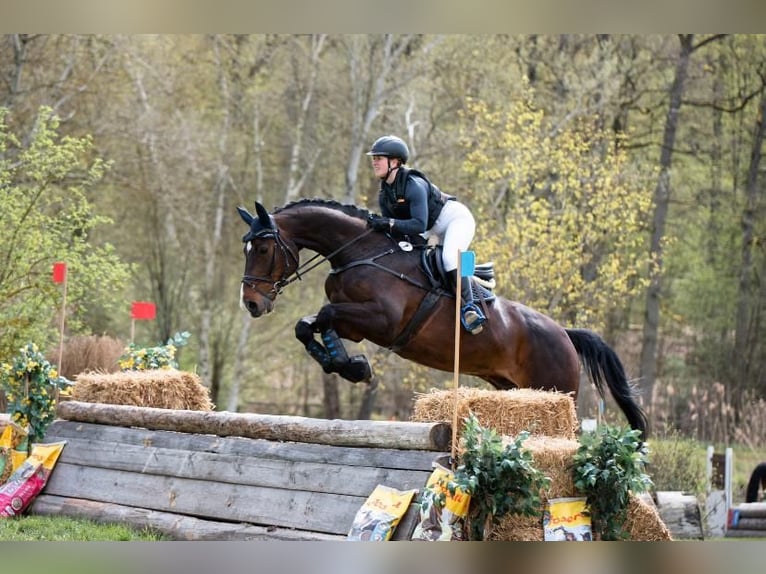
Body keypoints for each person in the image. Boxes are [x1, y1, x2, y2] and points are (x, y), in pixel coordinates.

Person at [365, 134, 486, 334]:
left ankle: (469, 307)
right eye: (374, 158)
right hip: (432, 228)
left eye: (379, 158)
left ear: (394, 162)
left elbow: (419, 225)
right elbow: (398, 233)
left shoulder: (413, 184)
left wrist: (388, 223)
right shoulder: (385, 193)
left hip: (455, 220)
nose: (374, 162)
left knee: (449, 257)